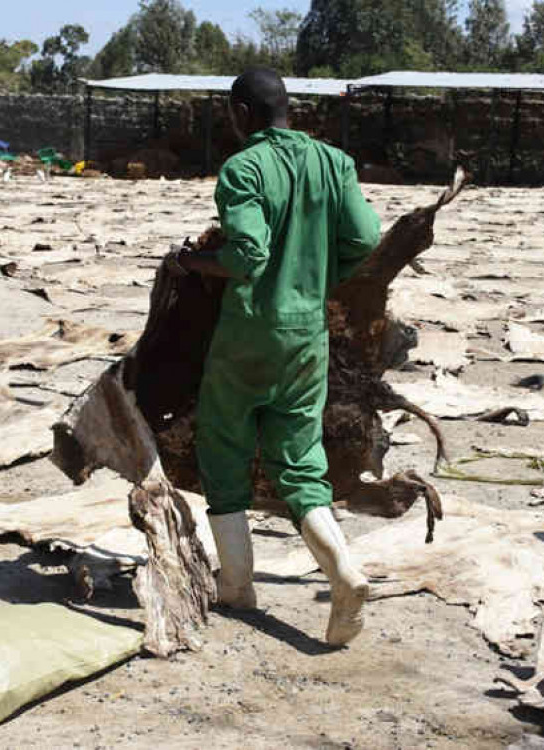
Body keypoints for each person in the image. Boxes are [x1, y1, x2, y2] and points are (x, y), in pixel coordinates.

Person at [171, 67, 382, 647]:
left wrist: (191, 265)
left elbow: (247, 255)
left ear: (242, 114)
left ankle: (237, 586)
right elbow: (365, 239)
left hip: (246, 338)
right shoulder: (334, 162)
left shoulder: (243, 168)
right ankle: (343, 569)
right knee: (300, 460)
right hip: (306, 336)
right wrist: (318, 279)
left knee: (223, 449)